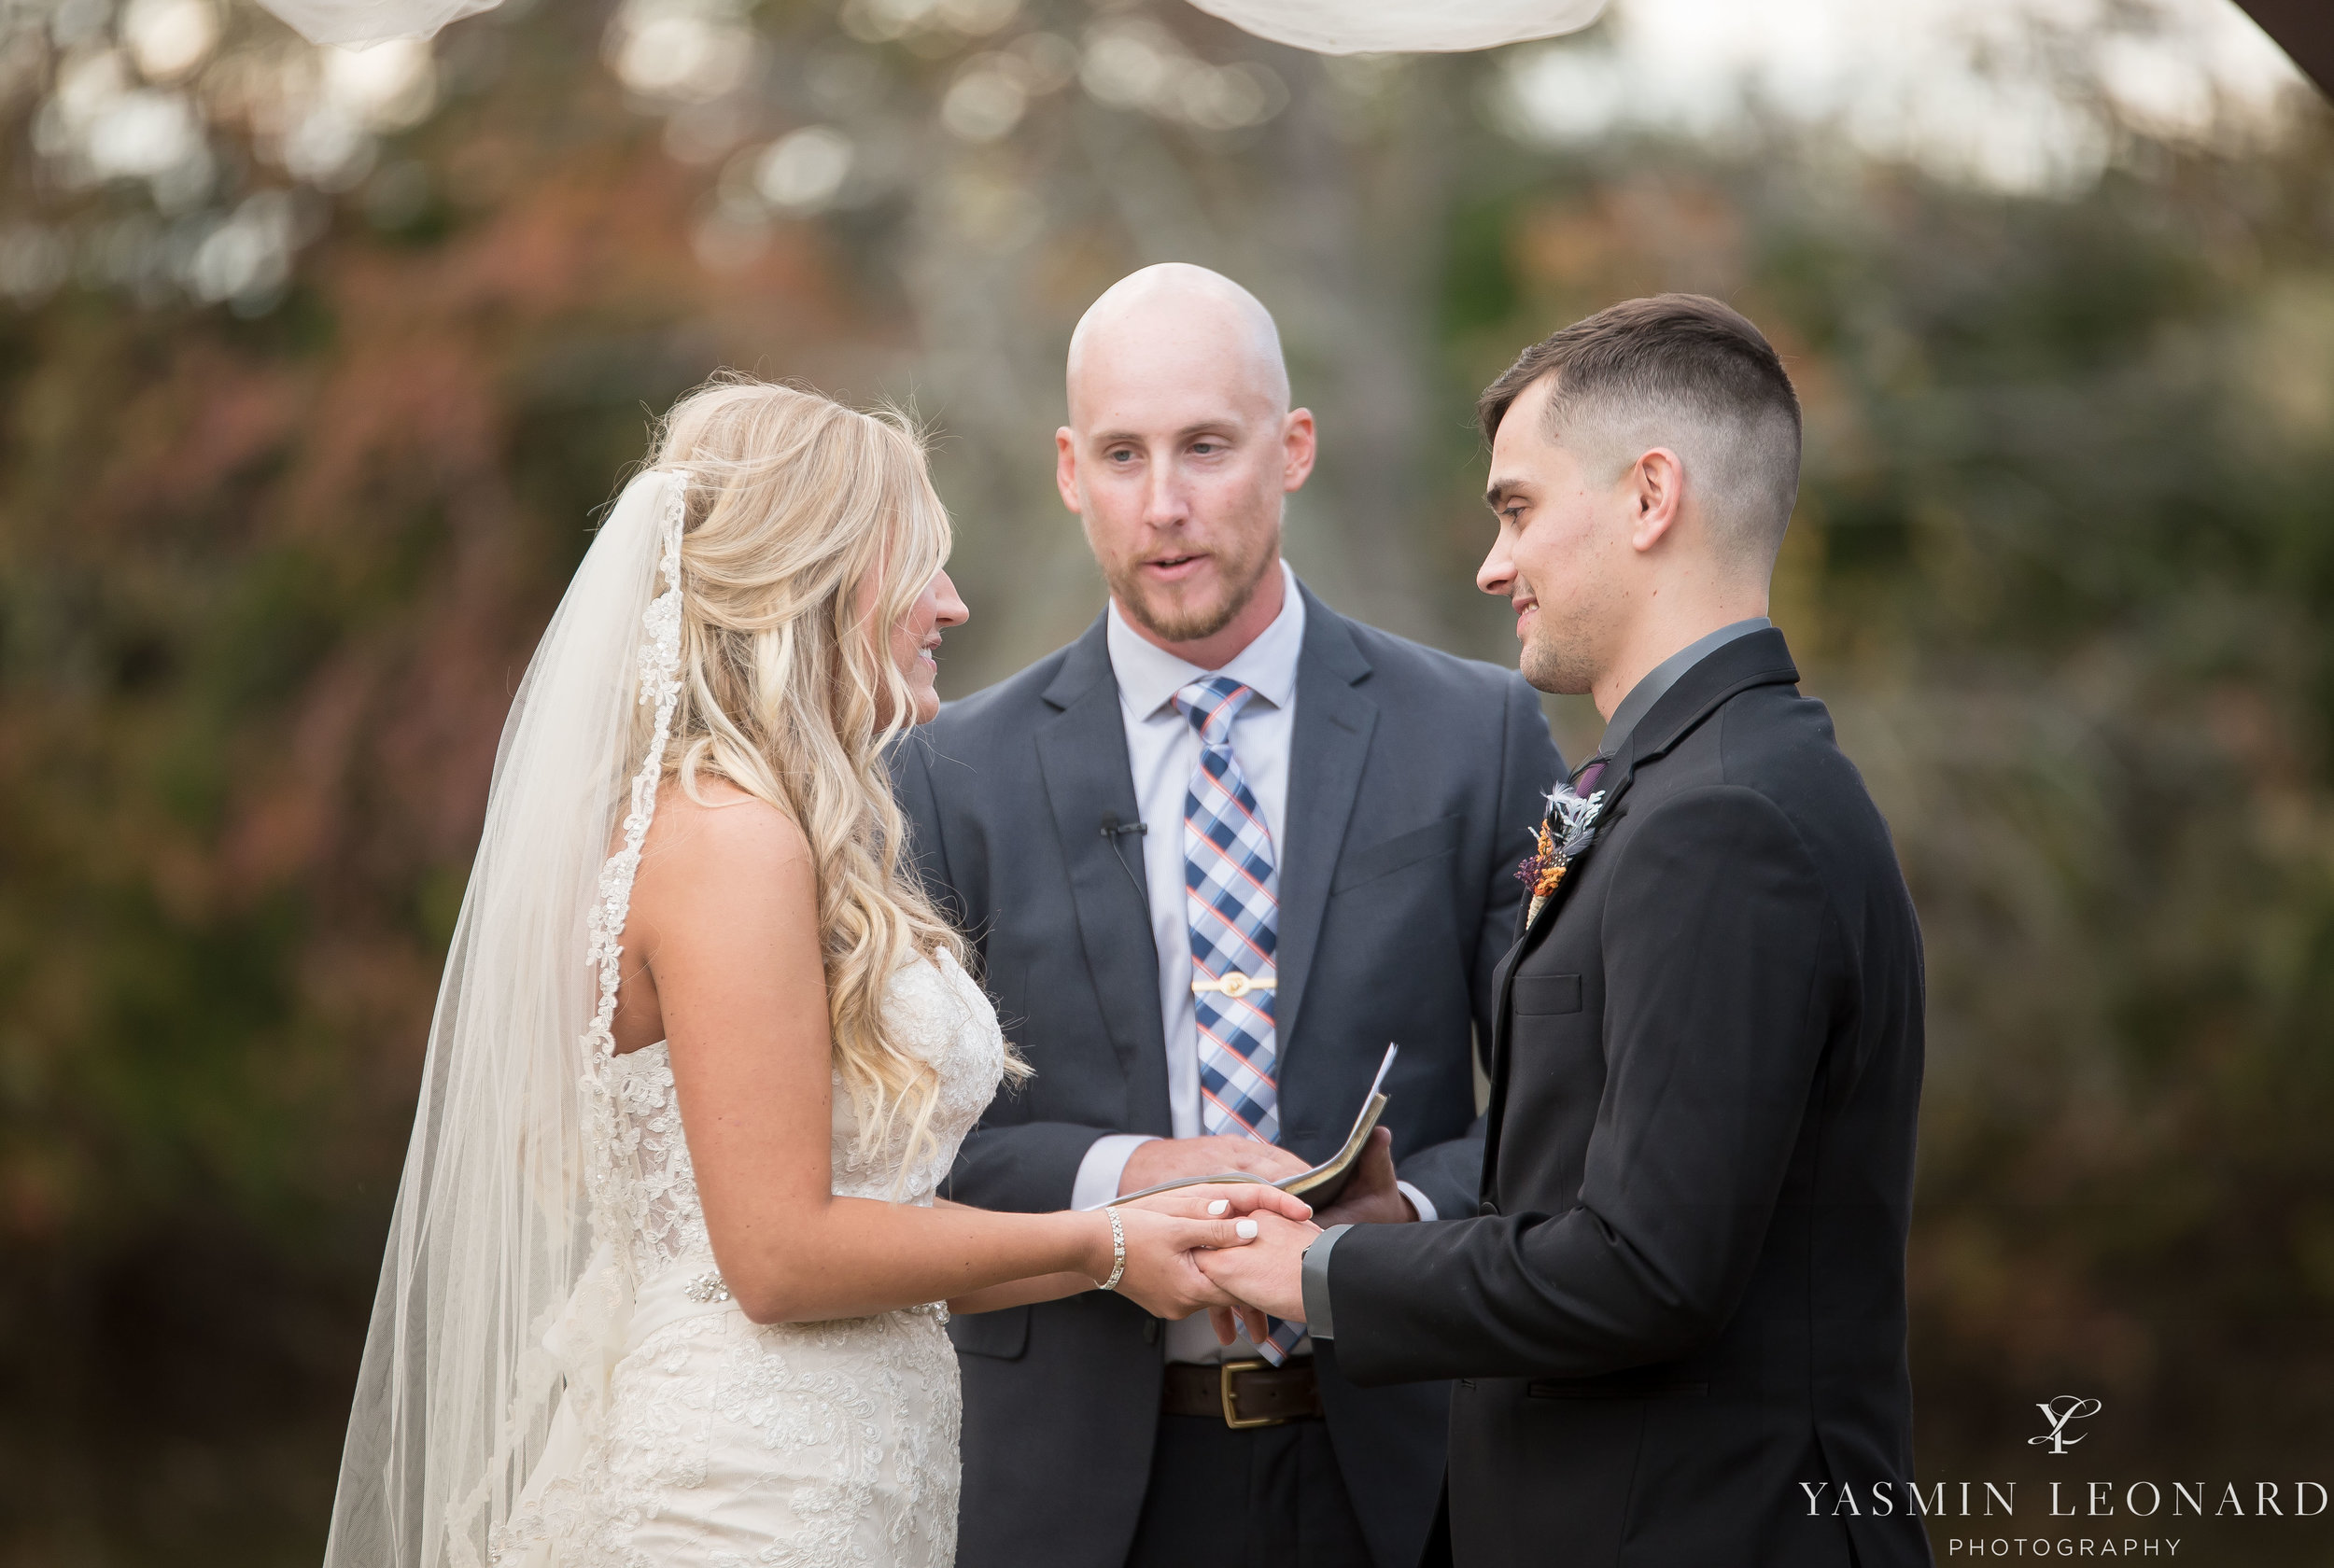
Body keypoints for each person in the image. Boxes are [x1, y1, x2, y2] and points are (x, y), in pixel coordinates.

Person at [322, 378, 1310, 1568]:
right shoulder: (729, 840)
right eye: (920, 565)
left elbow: (873, 1234)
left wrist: (1134, 1233)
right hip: (748, 1500)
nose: (949, 602)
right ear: (819, 582)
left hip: (842, 1473)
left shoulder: (762, 828)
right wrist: (1096, 1243)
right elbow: (782, 1260)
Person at [1198, 295, 1933, 1568]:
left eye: (1519, 508)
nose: (1495, 564)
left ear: (1652, 497)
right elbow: (1618, 1195)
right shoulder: (1694, 782)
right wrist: (1411, 1236)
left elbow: (1647, 1273)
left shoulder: (1728, 822)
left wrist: (1317, 1277)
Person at [893, 265, 1563, 1568]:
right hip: (1075, 1492)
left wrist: (1401, 1226)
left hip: (1410, 1468)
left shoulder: (1473, 733)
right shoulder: (947, 774)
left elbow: (1568, 1100)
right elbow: (904, 1154)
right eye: (1123, 455)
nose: (1165, 504)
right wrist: (1127, 1180)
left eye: (1206, 446)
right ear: (1068, 471)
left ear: (1293, 447)